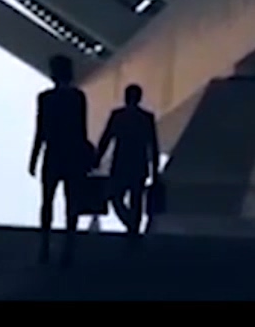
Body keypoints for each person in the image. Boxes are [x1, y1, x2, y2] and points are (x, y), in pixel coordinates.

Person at [28, 54, 91, 266]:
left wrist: (34, 156)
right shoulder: (77, 97)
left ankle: (44, 245)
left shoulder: (45, 98)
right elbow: (81, 129)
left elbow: (41, 129)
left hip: (53, 153)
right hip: (72, 154)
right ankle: (68, 247)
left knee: (47, 201)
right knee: (71, 201)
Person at [96, 84, 159, 246]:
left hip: (121, 163)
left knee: (116, 197)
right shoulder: (146, 118)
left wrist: (97, 158)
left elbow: (106, 138)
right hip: (139, 163)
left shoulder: (118, 116)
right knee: (136, 199)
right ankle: (133, 227)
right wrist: (155, 170)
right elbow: (153, 145)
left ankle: (130, 224)